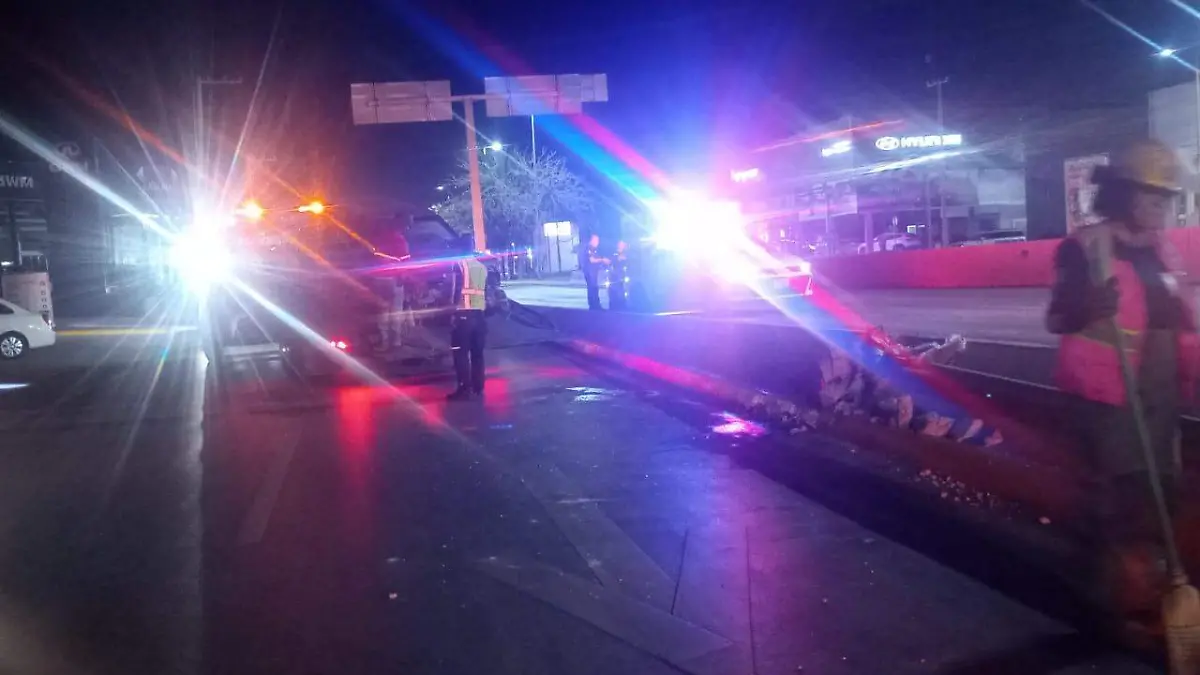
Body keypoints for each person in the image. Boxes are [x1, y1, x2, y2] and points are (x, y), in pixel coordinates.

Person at [1046, 139, 1199, 638]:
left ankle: (1150, 591)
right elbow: (1057, 318)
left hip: (1158, 396)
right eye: (1152, 196)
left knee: (1159, 497)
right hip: (1107, 399)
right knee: (1112, 503)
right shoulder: (1085, 248)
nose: (1161, 207)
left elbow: (1175, 319)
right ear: (1123, 194)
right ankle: (1102, 606)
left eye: (1166, 198)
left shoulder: (1161, 249)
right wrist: (1088, 306)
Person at [447, 255, 490, 400]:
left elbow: (453, 290)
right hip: (480, 316)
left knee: (460, 354)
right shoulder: (482, 267)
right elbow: (485, 292)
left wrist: (451, 312)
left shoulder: (459, 265)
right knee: (477, 354)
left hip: (463, 316)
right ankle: (478, 387)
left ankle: (464, 389)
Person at [579, 234, 609, 310]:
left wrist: (601, 263)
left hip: (592, 272)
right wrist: (602, 260)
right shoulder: (590, 248)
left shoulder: (593, 248)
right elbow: (592, 260)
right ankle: (594, 305)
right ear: (592, 240)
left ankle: (594, 305)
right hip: (590, 272)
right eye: (596, 240)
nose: (598, 242)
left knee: (593, 288)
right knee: (593, 288)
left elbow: (595, 259)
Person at [607, 240, 629, 311]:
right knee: (614, 300)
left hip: (621, 281)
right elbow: (611, 263)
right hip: (614, 280)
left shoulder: (626, 255)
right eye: (620, 245)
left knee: (621, 300)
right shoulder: (614, 255)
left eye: (622, 245)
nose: (621, 246)